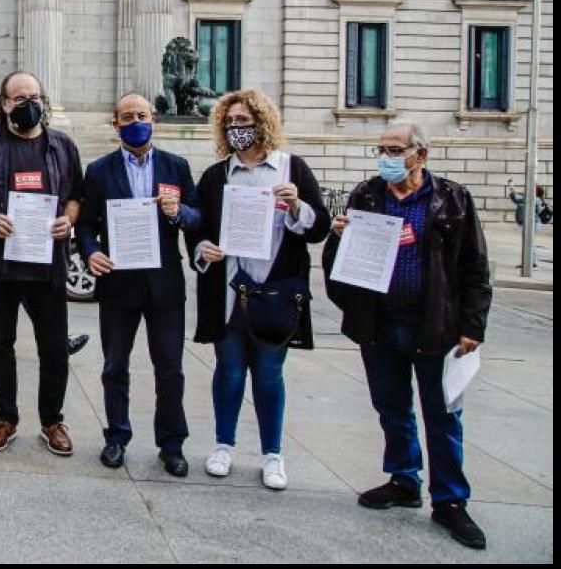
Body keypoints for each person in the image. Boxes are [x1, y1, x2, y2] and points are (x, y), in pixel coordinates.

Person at [323, 120, 493, 550]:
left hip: (435, 326)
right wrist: (339, 238)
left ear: (421, 154)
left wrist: (472, 326)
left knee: (443, 415)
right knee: (392, 408)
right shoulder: (367, 195)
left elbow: (475, 267)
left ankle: (451, 501)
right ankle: (403, 479)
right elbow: (337, 266)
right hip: (381, 326)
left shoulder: (452, 199)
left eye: (395, 149)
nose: (386, 157)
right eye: (380, 149)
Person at [191, 89, 330, 490]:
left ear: (262, 123)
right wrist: (203, 249)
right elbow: (199, 228)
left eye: (245, 121)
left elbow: (318, 226)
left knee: (269, 375)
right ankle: (223, 445)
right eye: (231, 122)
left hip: (275, 292)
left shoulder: (292, 169)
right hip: (231, 290)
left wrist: (298, 207)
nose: (238, 129)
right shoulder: (217, 176)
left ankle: (273, 454)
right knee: (229, 372)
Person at [0, 70, 84, 456]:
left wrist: (69, 219)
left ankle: (52, 421)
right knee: (0, 345)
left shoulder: (62, 146)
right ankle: (5, 418)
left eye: (34, 96)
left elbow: (77, 196)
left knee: (54, 348)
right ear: (4, 103)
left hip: (46, 266)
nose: (28, 103)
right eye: (19, 98)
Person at [76, 94, 201, 474]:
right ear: (115, 124)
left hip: (164, 286)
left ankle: (172, 444)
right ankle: (116, 436)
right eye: (127, 116)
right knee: (115, 365)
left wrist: (179, 213)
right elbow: (85, 224)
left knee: (170, 369)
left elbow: (198, 218)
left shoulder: (175, 167)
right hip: (118, 283)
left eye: (141, 115)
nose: (135, 121)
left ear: (154, 120)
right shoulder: (99, 170)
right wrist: (90, 252)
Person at [507, 182, 549, 269]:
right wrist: (513, 189)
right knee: (527, 243)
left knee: (529, 243)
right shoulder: (533, 199)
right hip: (530, 223)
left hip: (532, 223)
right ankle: (527, 262)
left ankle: (532, 263)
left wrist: (513, 188)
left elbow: (517, 198)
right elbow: (516, 199)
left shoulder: (533, 199)